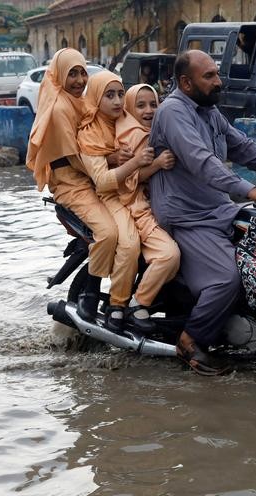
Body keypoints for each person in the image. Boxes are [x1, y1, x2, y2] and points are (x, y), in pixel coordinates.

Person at [148, 50, 256, 375]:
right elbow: (201, 161)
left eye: (217, 74)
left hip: (217, 207)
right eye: (208, 76)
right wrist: (252, 191)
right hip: (187, 216)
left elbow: (244, 148)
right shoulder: (173, 112)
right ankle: (190, 341)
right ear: (186, 82)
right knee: (228, 278)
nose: (218, 81)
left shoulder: (209, 111)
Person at [26, 49, 123, 324]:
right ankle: (91, 293)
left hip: (92, 177)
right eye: (72, 74)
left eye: (83, 73)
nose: (80, 80)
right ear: (59, 75)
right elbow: (77, 158)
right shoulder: (59, 108)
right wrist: (110, 159)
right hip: (72, 183)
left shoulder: (77, 102)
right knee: (108, 232)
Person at [76, 71, 173, 332]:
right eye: (109, 95)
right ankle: (116, 304)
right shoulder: (94, 133)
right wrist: (137, 163)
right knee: (127, 243)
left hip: (136, 197)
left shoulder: (128, 126)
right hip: (113, 196)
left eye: (120, 94)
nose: (118, 102)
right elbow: (105, 182)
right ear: (96, 97)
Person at [114, 83, 180, 330]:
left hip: (156, 204)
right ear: (129, 108)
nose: (149, 110)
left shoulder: (152, 133)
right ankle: (137, 304)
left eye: (153, 104)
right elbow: (130, 179)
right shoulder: (133, 137)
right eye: (140, 105)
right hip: (137, 208)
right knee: (169, 254)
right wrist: (158, 164)